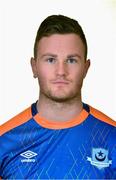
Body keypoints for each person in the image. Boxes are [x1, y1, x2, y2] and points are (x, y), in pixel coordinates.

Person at [0, 14, 116, 179]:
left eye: (71, 60)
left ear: (86, 68)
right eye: (50, 60)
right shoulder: (4, 141)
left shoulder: (112, 137)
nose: (61, 71)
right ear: (34, 67)